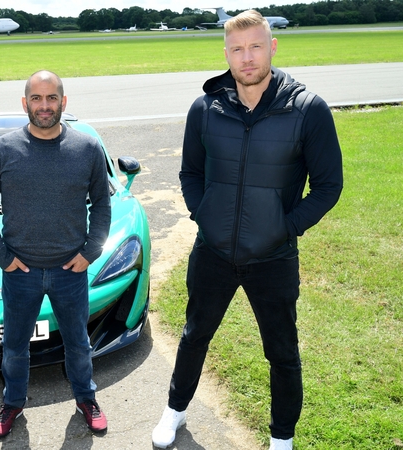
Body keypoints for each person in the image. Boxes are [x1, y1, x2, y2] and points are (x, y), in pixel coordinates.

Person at [151, 10, 343, 450]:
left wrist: (285, 228)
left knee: (282, 352)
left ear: (272, 47)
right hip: (213, 252)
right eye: (237, 49)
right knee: (194, 335)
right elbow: (190, 173)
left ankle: (281, 438)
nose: (247, 57)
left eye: (256, 46)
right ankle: (175, 411)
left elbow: (328, 186)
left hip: (273, 257)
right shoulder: (205, 108)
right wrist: (204, 215)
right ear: (226, 54)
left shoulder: (308, 109)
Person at [0, 70, 112, 438]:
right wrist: (2, 256)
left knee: (78, 344)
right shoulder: (2, 150)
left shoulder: (87, 148)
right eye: (36, 98)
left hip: (71, 271)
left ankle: (86, 398)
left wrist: (91, 251)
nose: (44, 105)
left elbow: (102, 204)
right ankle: (12, 403)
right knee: (15, 347)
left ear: (63, 102)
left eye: (52, 98)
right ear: (25, 103)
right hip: (20, 272)